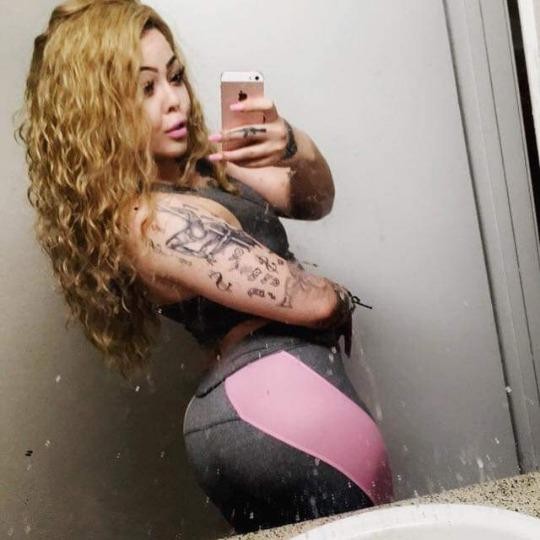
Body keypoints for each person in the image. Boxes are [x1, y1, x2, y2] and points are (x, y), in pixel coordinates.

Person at [15, 0, 393, 533]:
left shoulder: (201, 171)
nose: (174, 100)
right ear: (99, 110)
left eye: (174, 77)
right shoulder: (148, 220)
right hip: (270, 403)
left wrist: (293, 144)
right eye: (145, 88)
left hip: (262, 403)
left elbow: (313, 200)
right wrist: (340, 296)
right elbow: (313, 303)